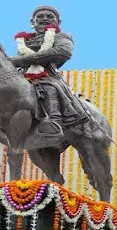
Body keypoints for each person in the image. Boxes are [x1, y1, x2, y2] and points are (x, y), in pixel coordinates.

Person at [10, 6, 85, 136]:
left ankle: (53, 122)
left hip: (47, 76)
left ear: (58, 22)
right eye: (40, 16)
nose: (44, 18)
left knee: (48, 87)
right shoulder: (24, 40)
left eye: (50, 16)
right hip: (22, 77)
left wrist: (18, 60)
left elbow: (62, 52)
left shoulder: (62, 36)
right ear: (32, 22)